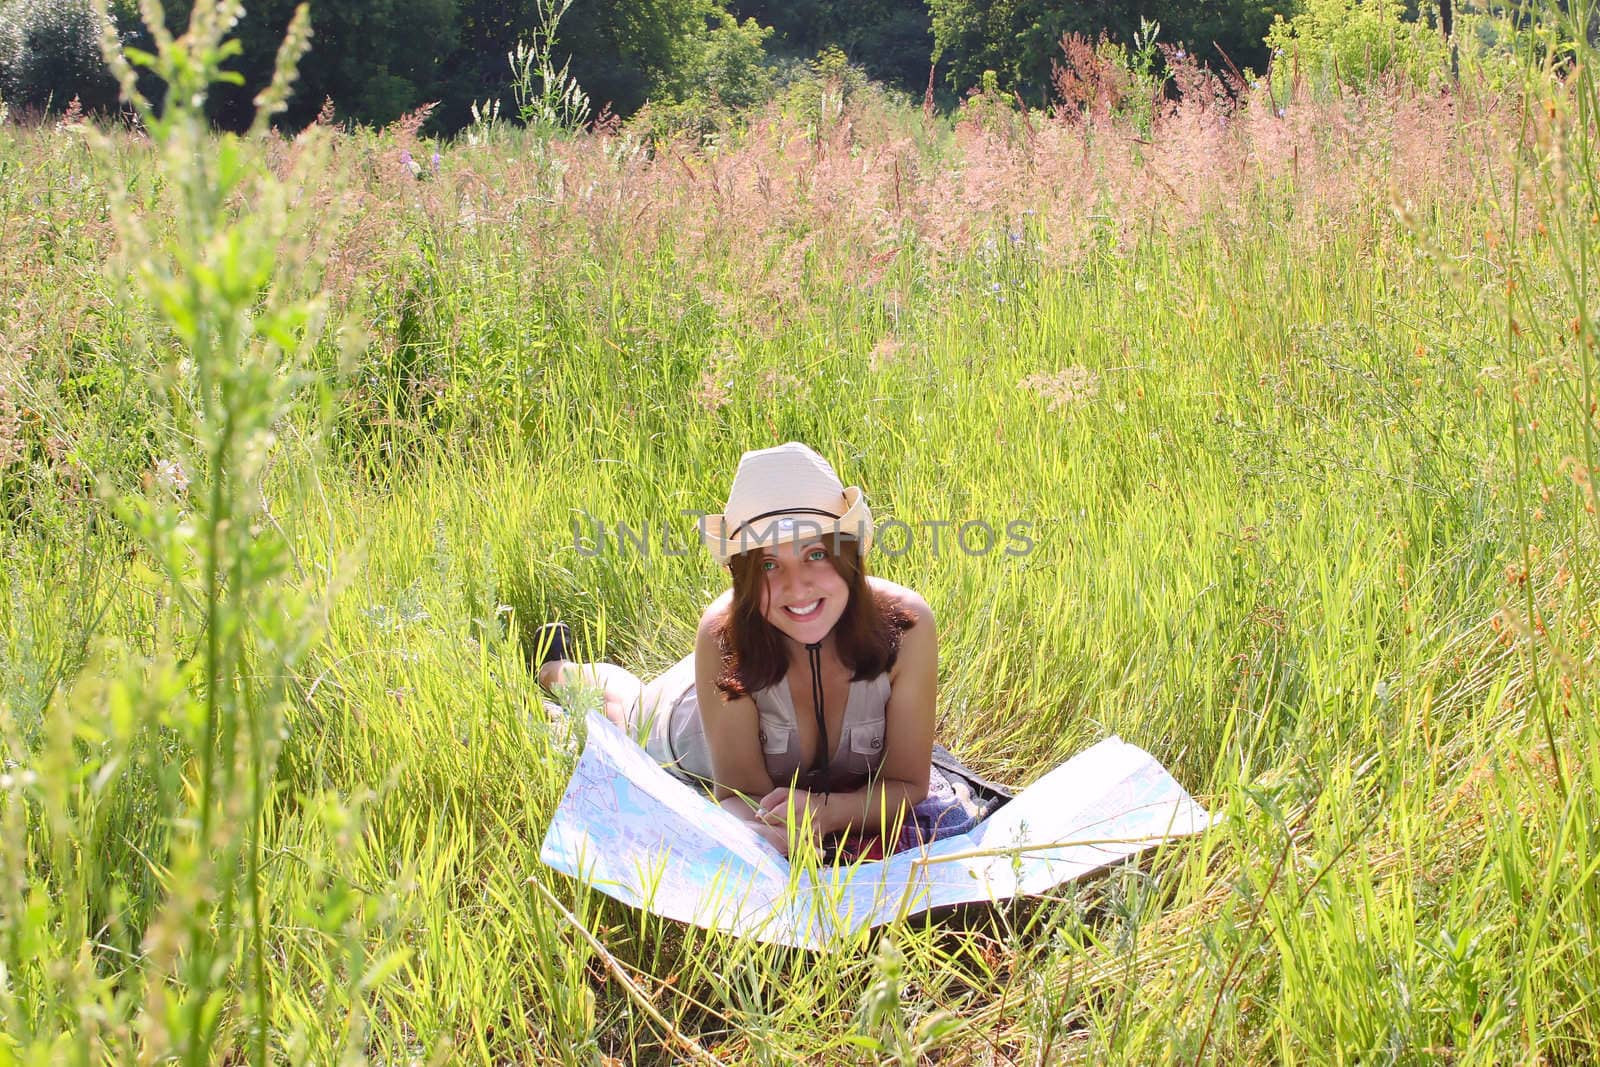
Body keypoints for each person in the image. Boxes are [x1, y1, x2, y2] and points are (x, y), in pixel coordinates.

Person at [537, 442, 964, 857]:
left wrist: (825, 813)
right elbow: (738, 797)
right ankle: (553, 666)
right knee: (622, 711)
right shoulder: (721, 635)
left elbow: (908, 784)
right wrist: (765, 830)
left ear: (849, 554)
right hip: (701, 707)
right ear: (742, 576)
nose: (796, 588)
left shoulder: (906, 627)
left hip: (744, 667)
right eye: (768, 565)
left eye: (816, 553)